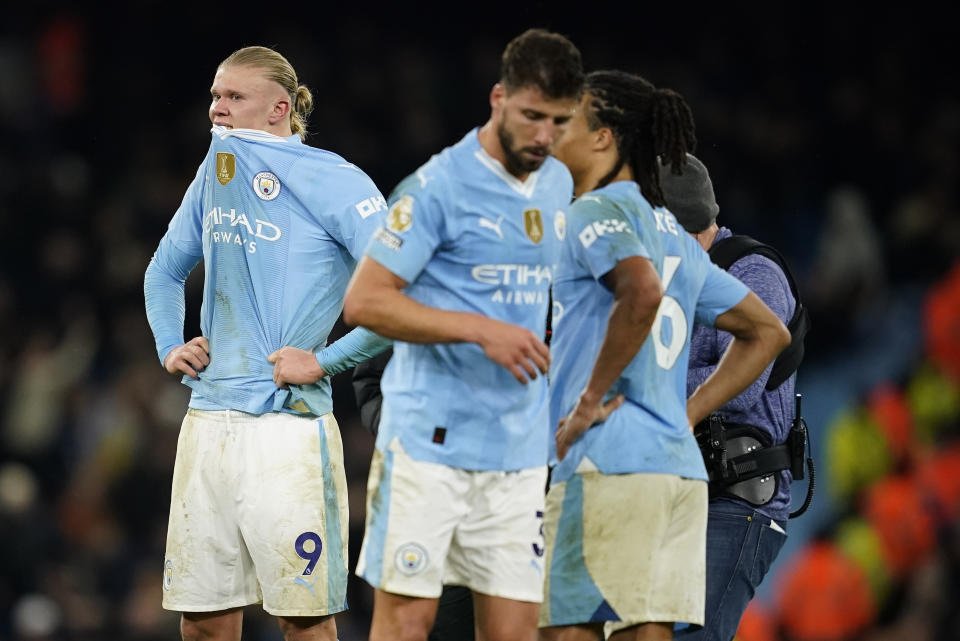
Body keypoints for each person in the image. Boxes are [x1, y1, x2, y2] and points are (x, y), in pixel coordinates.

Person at [342, 28, 584, 641]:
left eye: (558, 121)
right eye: (531, 116)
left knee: (513, 632)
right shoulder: (436, 189)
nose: (542, 136)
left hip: (520, 453)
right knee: (406, 622)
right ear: (498, 98)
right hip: (429, 446)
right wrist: (480, 331)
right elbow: (364, 302)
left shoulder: (559, 183)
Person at [143, 46, 390, 641]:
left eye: (233, 98)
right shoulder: (215, 171)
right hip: (207, 421)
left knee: (301, 620)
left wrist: (324, 361)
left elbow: (400, 296)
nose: (217, 109)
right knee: (201, 621)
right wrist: (168, 346)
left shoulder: (335, 179)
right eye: (214, 96)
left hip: (289, 429)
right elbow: (162, 273)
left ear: (279, 108)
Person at [540, 71, 791, 641]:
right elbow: (767, 333)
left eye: (570, 121)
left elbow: (642, 294)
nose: (556, 132)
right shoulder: (674, 238)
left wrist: (587, 401)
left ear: (605, 138)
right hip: (676, 473)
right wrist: (687, 413)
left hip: (607, 462)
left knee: (569, 632)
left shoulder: (594, 216)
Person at [664, 154, 798, 641]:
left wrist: (642, 379)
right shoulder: (668, 279)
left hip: (738, 496)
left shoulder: (751, 270)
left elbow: (742, 389)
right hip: (678, 491)